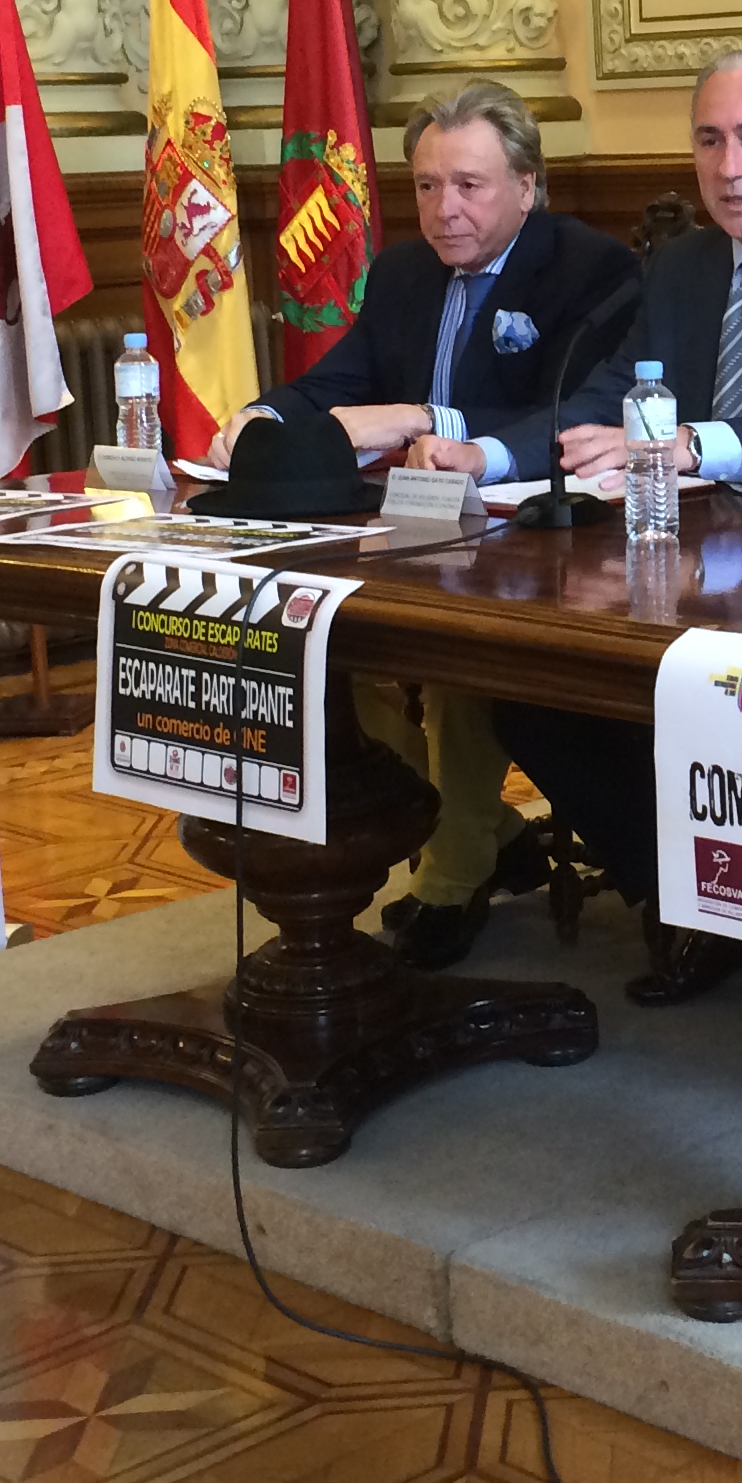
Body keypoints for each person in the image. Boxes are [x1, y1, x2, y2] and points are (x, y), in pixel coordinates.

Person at [416, 48, 742, 1035]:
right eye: (709, 141)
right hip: (682, 558)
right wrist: (487, 454)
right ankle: (691, 896)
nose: (728, 167)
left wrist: (696, 442)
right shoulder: (684, 267)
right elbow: (604, 394)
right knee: (535, 692)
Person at [221, 81, 637, 967]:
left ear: (526, 185)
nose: (445, 209)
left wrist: (435, 424)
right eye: (426, 185)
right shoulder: (405, 273)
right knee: (336, 651)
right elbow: (336, 381)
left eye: (469, 185)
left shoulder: (587, 268)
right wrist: (263, 417)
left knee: (456, 668)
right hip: (411, 533)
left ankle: (452, 877)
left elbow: (573, 411)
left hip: (537, 542)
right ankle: (487, 832)